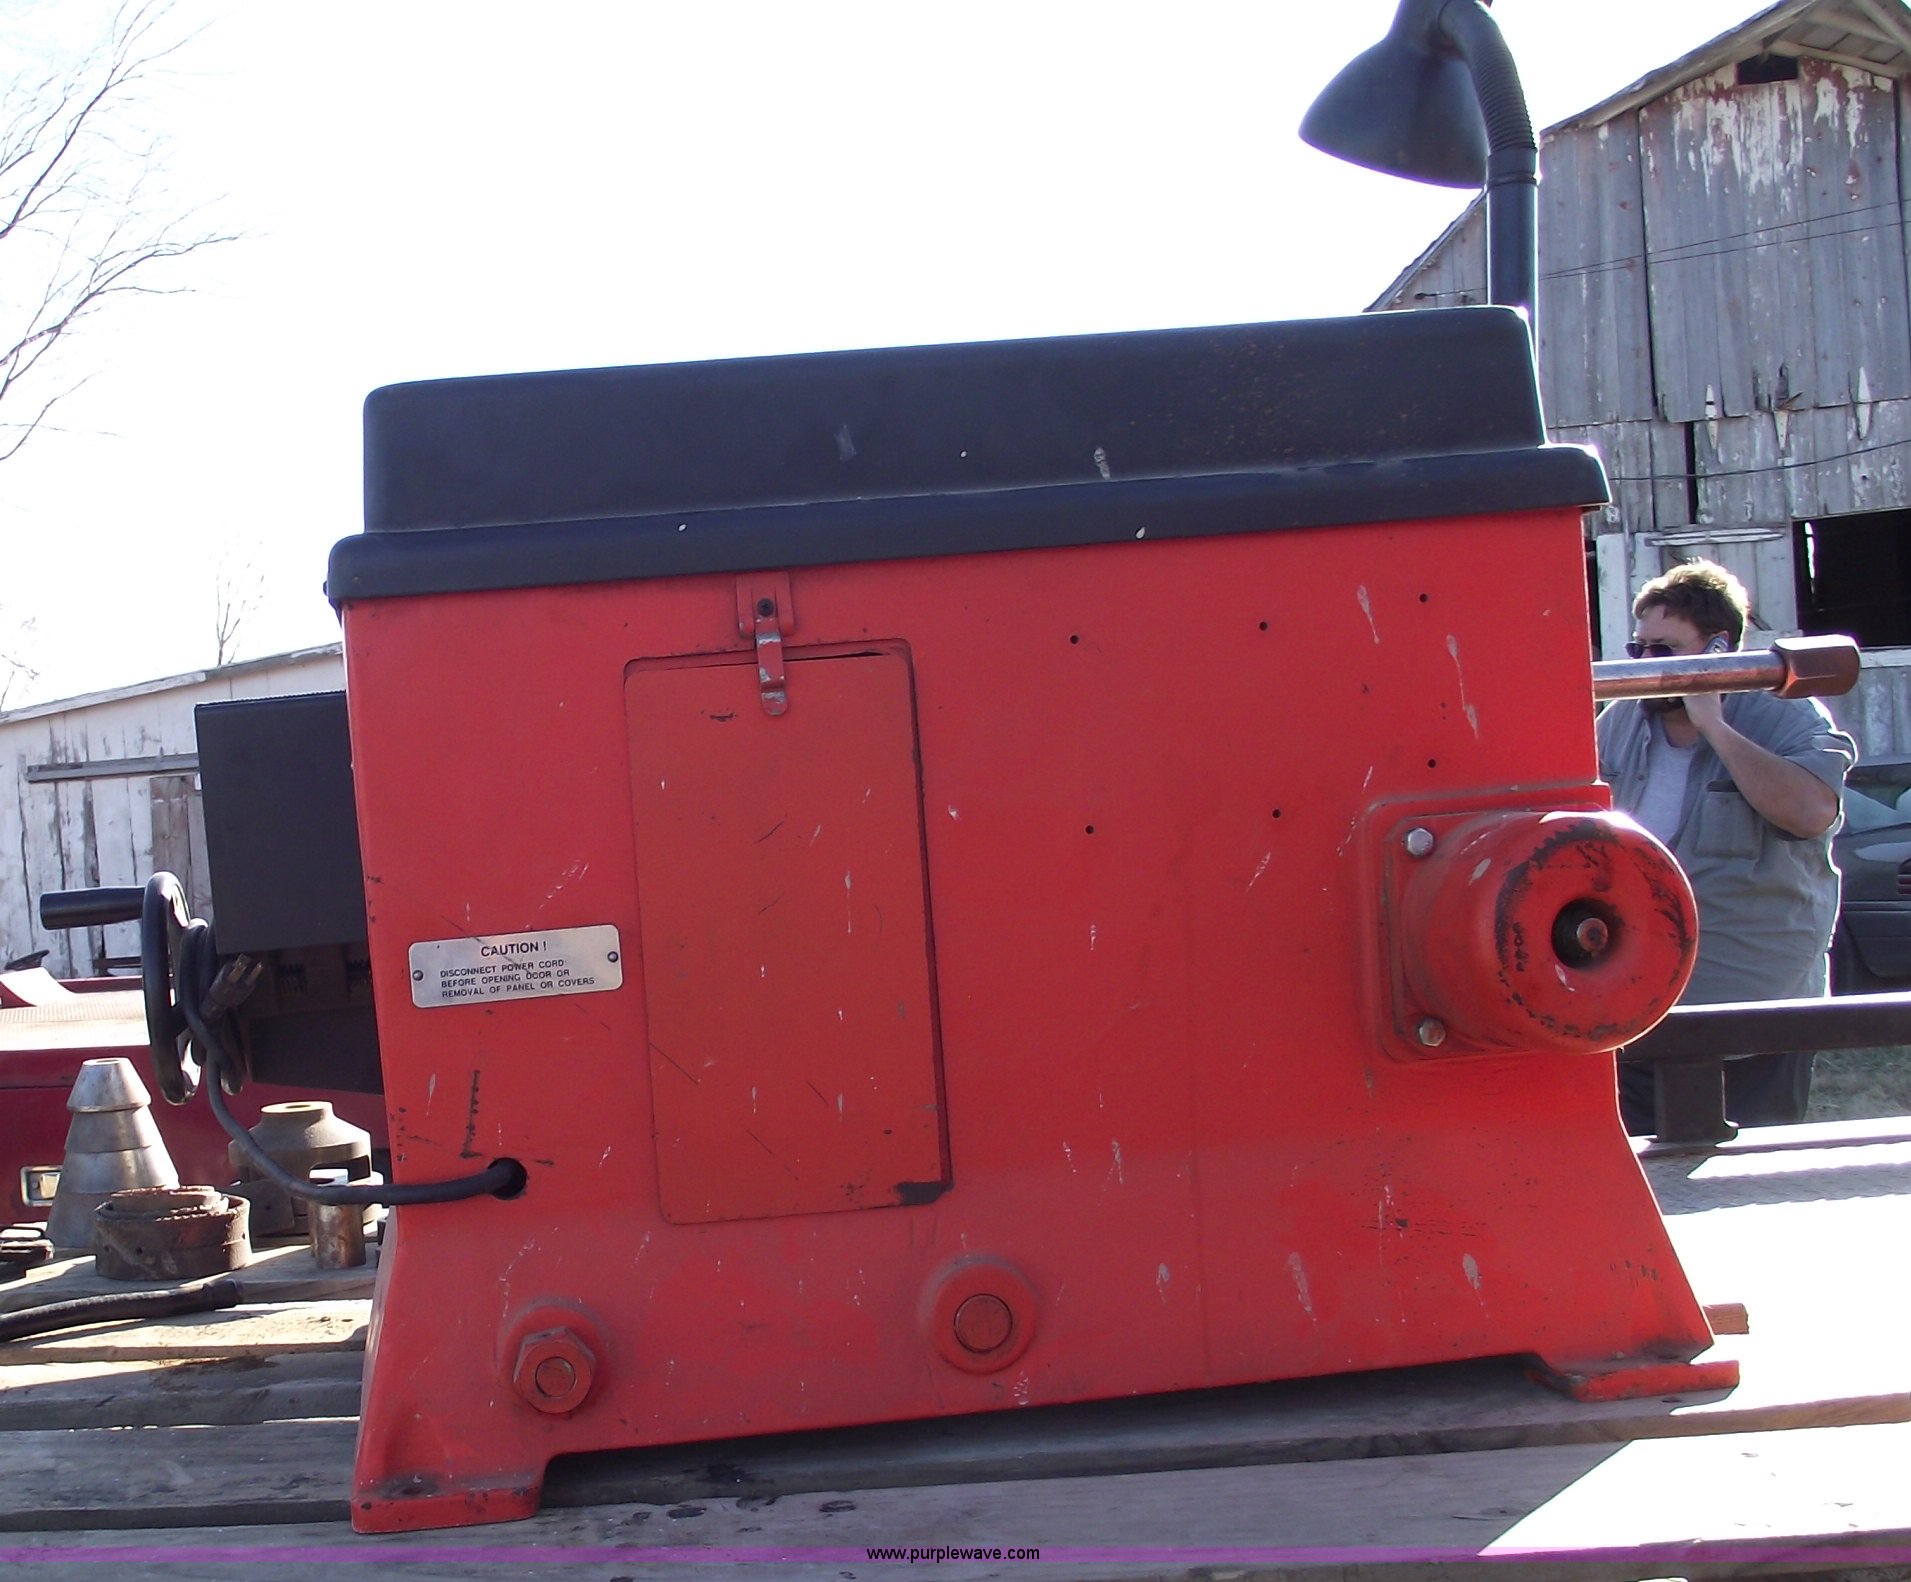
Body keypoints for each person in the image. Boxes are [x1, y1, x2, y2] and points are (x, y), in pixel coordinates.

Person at [1596, 560, 1856, 1132]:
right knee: (1649, 1168)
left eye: (1664, 650)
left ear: (1718, 648)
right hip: (1639, 1009)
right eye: (1638, 648)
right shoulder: (1618, 722)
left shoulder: (1785, 713)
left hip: (1758, 1014)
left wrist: (1714, 725)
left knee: (1751, 1176)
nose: (1645, 664)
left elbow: (1811, 812)